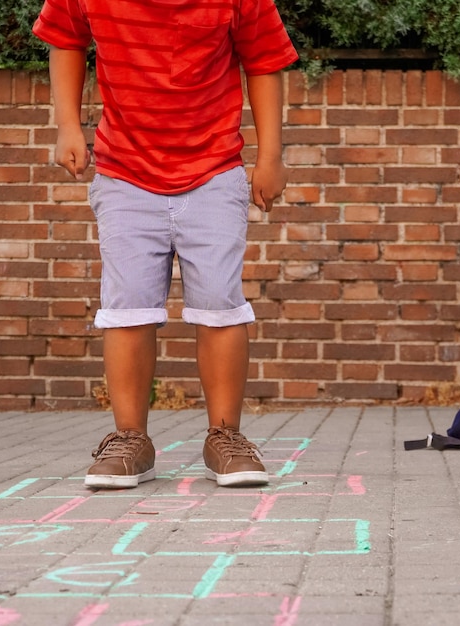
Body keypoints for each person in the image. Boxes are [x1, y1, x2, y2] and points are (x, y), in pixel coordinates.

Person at [33, 0, 298, 489]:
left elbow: (264, 61)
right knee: (128, 304)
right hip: (124, 174)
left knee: (220, 301)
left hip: (214, 171)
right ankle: (130, 439)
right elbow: (66, 39)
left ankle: (225, 437)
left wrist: (272, 155)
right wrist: (67, 125)